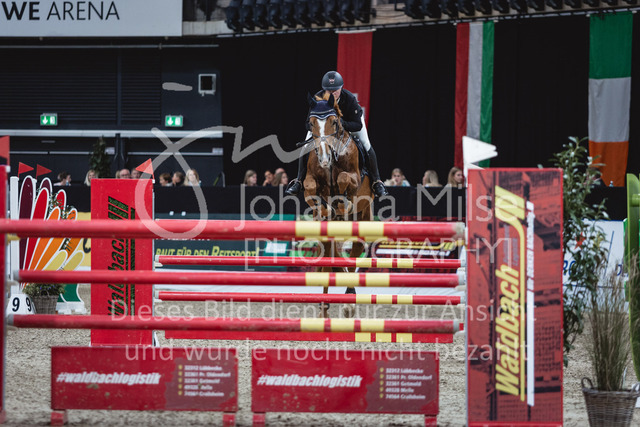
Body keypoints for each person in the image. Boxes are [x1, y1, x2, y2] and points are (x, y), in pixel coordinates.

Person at [285, 71, 388, 198]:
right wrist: (318, 130)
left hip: (350, 123)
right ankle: (299, 181)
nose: (332, 93)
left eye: (335, 90)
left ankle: (377, 182)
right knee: (305, 147)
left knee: (366, 144)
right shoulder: (317, 99)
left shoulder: (349, 99)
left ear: (341, 88)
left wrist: (341, 124)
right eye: (329, 90)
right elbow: (307, 124)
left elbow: (357, 125)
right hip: (323, 129)